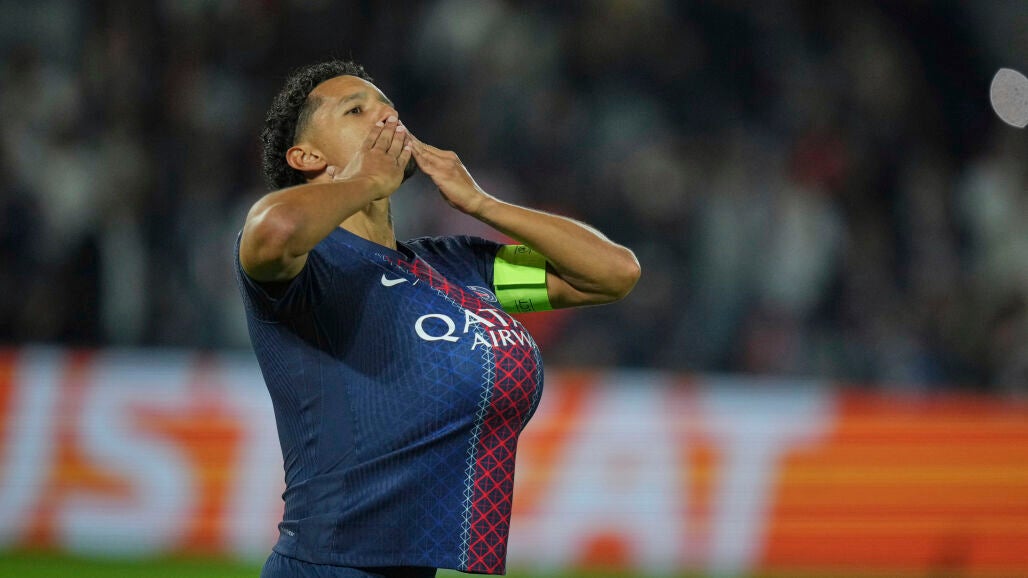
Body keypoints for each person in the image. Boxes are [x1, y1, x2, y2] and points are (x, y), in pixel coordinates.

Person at [235, 60, 640, 578]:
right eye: (356, 110)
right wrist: (365, 180)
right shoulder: (307, 268)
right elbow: (274, 230)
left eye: (389, 108)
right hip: (326, 565)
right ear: (307, 156)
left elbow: (612, 273)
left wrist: (482, 204)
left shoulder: (458, 266)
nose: (386, 117)